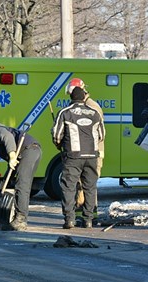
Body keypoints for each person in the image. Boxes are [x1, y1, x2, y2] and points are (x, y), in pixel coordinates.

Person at [52, 82, 105, 229]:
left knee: (69, 187)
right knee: (90, 187)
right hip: (92, 156)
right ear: (84, 97)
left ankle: (70, 219)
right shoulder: (94, 113)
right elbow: (101, 135)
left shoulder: (65, 112)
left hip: (73, 156)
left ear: (71, 98)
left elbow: (57, 135)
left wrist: (59, 145)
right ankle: (88, 219)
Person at [0, 123, 42, 231]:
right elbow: (11, 165)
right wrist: (3, 185)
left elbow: (7, 137)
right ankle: (10, 219)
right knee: (19, 185)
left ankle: (20, 220)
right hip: (31, 151)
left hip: (29, 151)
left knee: (22, 186)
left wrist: (12, 156)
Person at [67, 78, 105, 224]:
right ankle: (82, 214)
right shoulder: (87, 106)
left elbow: (100, 133)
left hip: (91, 152)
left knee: (88, 184)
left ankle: (90, 215)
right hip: (86, 151)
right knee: (79, 185)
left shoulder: (92, 107)